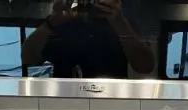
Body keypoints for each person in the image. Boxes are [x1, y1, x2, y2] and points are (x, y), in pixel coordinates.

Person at [22, 0, 155, 78]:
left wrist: (119, 21)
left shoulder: (124, 24)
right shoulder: (61, 22)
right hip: (64, 103)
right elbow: (28, 58)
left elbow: (145, 66)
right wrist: (51, 23)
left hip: (111, 103)